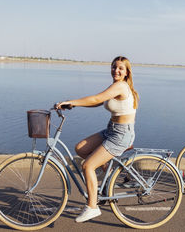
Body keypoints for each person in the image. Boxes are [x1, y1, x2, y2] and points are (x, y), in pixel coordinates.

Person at [55, 56, 139, 223]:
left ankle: (92, 207)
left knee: (87, 166)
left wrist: (72, 101)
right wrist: (74, 104)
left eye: (120, 68)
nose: (116, 70)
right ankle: (106, 176)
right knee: (81, 148)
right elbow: (98, 102)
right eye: (114, 67)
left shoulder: (121, 86)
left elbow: (96, 99)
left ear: (127, 72)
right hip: (111, 130)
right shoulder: (116, 86)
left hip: (121, 135)